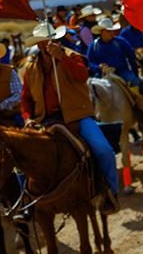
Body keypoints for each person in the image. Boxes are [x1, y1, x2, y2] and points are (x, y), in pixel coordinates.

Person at [20, 22, 120, 214]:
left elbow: (82, 76)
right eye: (43, 41)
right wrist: (27, 119)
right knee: (20, 158)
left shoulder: (72, 56)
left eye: (51, 40)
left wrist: (61, 58)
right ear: (39, 44)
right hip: (44, 119)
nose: (47, 44)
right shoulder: (31, 67)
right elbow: (25, 99)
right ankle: (27, 202)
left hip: (77, 116)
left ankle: (110, 193)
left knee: (104, 150)